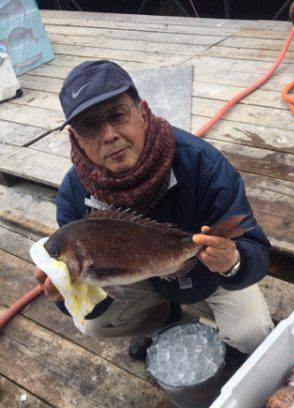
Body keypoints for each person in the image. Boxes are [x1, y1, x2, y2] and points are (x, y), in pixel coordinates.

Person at [35, 60, 274, 366]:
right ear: (75, 139)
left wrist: (232, 263)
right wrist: (63, 294)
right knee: (92, 323)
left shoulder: (202, 162)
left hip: (211, 275)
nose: (108, 135)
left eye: (117, 115)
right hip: (141, 279)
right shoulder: (72, 195)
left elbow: (258, 252)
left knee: (253, 334)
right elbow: (87, 299)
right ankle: (162, 317)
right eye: (89, 126)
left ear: (143, 113)